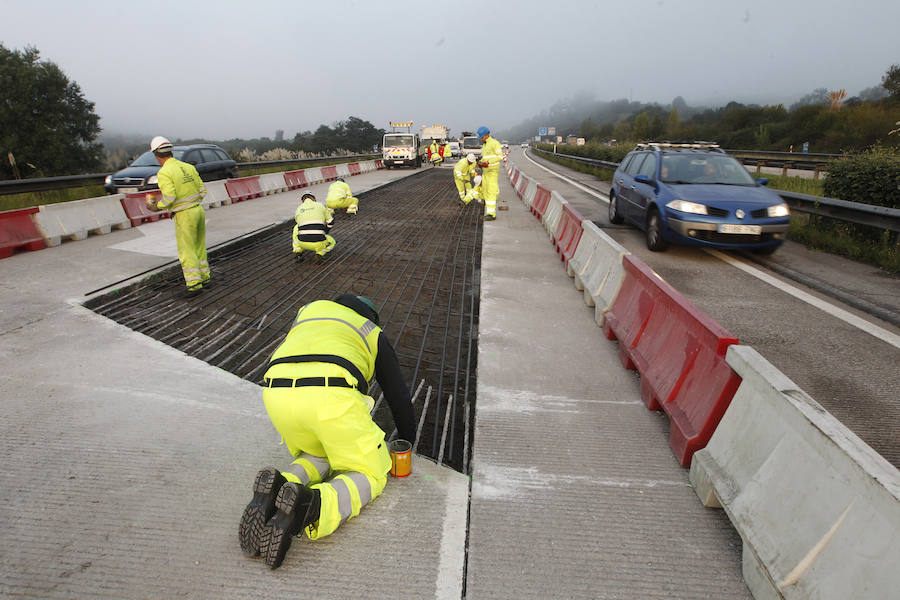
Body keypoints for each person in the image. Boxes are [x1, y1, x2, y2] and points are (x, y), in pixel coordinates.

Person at [239, 294, 417, 570]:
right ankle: (312, 507)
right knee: (369, 471)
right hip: (331, 396)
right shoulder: (370, 331)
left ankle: (278, 488)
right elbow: (398, 396)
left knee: (318, 452)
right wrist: (408, 441)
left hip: (276, 394)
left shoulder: (308, 312)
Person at [145, 136, 209, 293]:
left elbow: (170, 197)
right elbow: (202, 190)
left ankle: (194, 285)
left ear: (156, 155)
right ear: (170, 151)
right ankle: (205, 278)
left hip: (184, 215)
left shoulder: (164, 172)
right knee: (199, 247)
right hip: (198, 211)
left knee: (186, 250)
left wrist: (157, 207)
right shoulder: (188, 167)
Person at [292, 192, 335, 259]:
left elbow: (299, 225)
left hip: (302, 243)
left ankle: (298, 251)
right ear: (314, 199)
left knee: (296, 227)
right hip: (319, 244)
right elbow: (331, 222)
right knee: (332, 242)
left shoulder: (299, 208)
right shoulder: (320, 205)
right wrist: (326, 231)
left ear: (302, 201)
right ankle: (320, 253)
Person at [477, 126, 503, 220]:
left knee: (491, 191)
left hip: (492, 171)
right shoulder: (484, 145)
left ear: (487, 135)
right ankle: (489, 212)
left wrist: (488, 162)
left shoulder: (495, 143)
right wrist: (480, 162)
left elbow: (500, 157)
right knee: (486, 191)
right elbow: (485, 158)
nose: (480, 139)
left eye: (482, 137)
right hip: (486, 171)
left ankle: (492, 214)